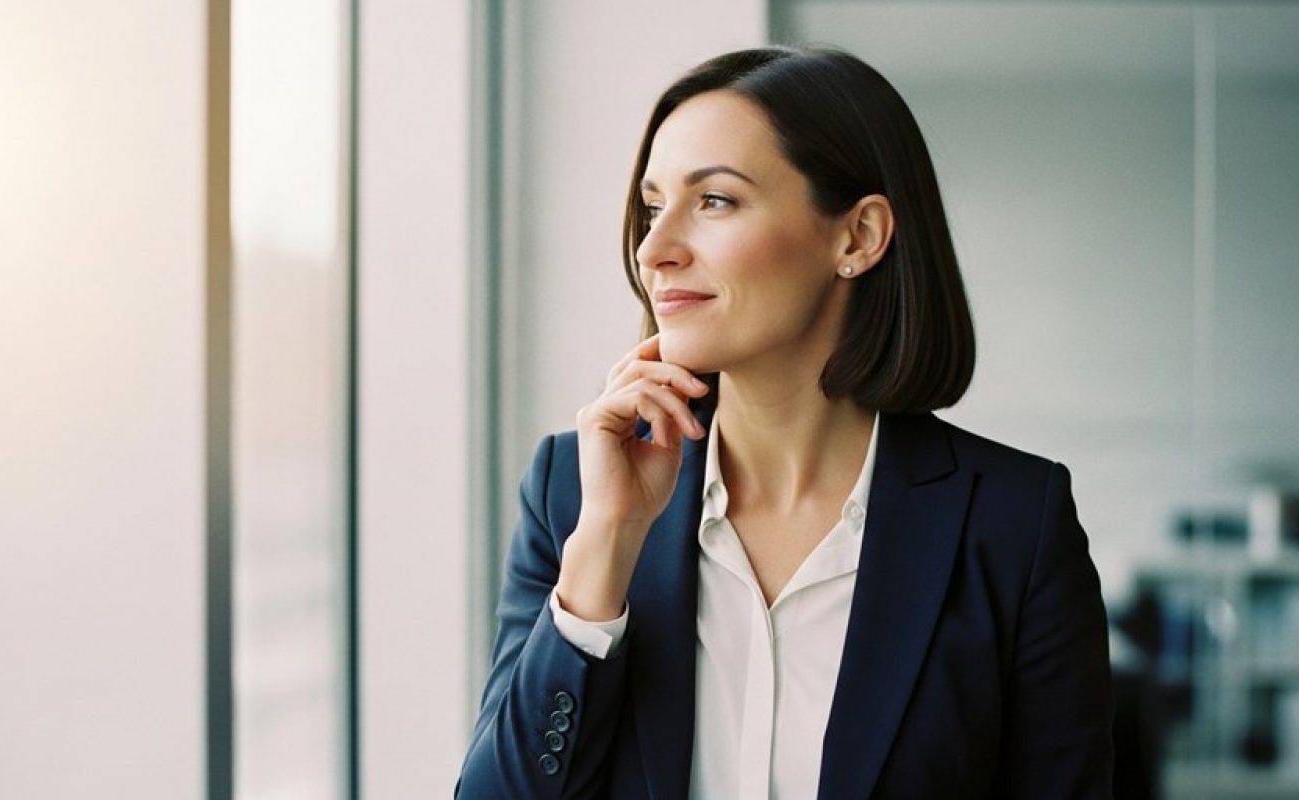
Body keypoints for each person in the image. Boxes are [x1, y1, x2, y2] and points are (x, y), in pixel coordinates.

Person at [455, 45, 1113, 799]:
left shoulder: (1012, 526)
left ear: (858, 237)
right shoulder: (575, 496)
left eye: (714, 201)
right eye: (651, 206)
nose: (653, 250)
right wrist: (606, 545)